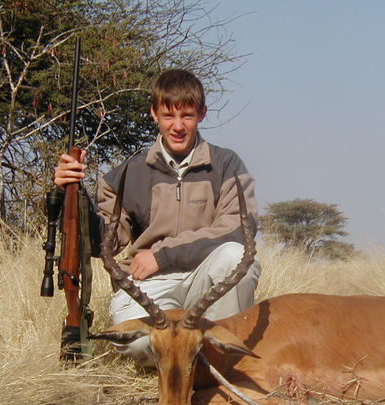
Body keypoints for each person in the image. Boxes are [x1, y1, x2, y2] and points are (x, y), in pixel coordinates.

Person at [54, 69, 261, 366]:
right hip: (149, 284)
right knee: (139, 344)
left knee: (236, 255)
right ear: (154, 114)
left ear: (202, 114)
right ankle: (193, 360)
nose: (178, 126)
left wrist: (163, 256)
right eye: (168, 116)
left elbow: (239, 230)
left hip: (202, 279)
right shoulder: (130, 172)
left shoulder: (227, 164)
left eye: (187, 116)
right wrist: (73, 194)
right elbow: (104, 242)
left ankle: (218, 363)